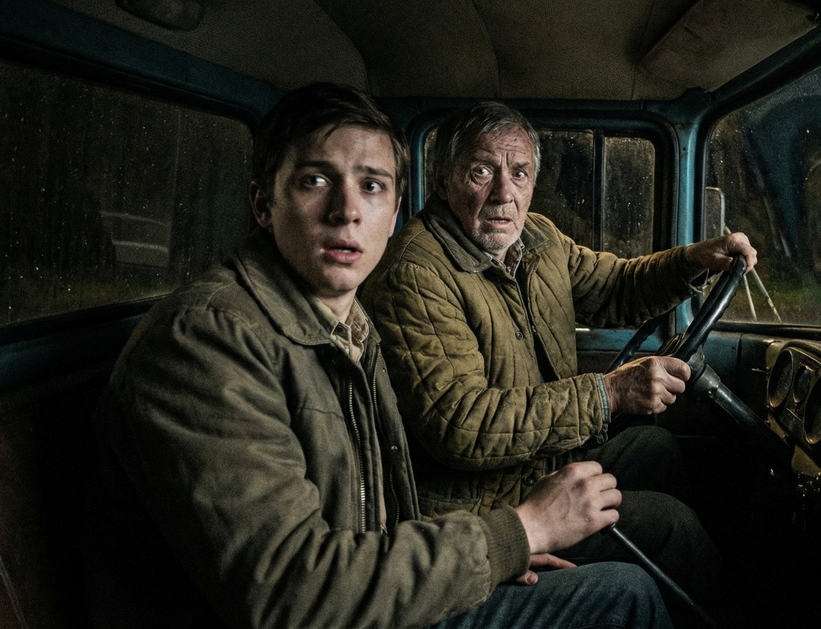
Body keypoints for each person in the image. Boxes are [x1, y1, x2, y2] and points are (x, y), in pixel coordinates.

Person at [83, 83, 671, 628]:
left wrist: (486, 556)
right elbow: (290, 592)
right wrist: (518, 532)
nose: (347, 210)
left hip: (384, 579)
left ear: (393, 212)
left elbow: (379, 510)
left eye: (371, 186)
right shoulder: (205, 343)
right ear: (263, 203)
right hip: (343, 605)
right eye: (315, 180)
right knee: (627, 593)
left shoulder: (346, 323)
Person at [361, 100, 756, 623]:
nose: (504, 193)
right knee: (670, 526)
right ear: (443, 179)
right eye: (482, 171)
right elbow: (461, 424)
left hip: (535, 462)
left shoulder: (537, 238)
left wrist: (690, 262)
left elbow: (614, 286)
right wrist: (609, 393)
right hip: (481, 510)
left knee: (656, 448)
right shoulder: (415, 274)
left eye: (519, 173)